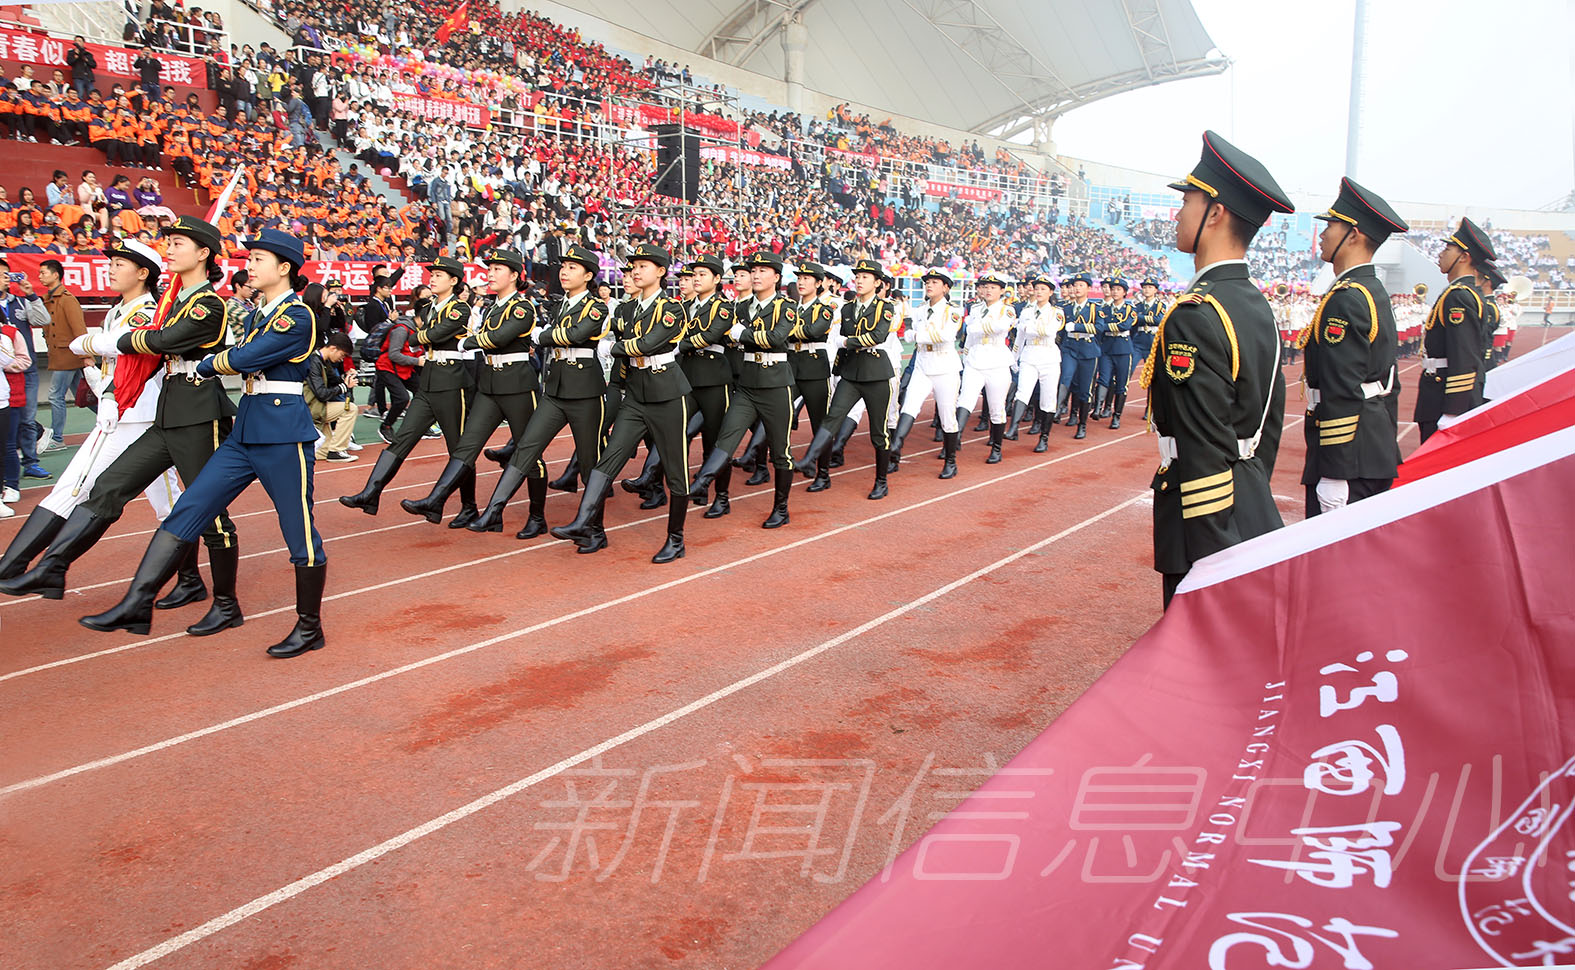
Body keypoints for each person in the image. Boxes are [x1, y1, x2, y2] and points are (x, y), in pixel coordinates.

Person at [82, 229, 328, 657]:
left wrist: (209, 364)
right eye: (248, 259)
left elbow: (247, 357)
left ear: (284, 268)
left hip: (283, 437)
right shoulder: (256, 314)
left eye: (257, 259)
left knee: (299, 533)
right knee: (189, 509)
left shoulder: (296, 315)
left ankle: (310, 627)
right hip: (246, 431)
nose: (248, 265)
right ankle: (137, 602)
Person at [2, 217, 236, 620]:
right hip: (161, 414)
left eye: (178, 242)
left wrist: (100, 342)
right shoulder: (171, 301)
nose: (171, 248)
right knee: (108, 489)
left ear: (202, 253)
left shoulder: (205, 303)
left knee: (202, 511)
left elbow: (159, 342)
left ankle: (221, 601)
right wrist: (104, 381)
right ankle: (51, 568)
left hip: (188, 414)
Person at [1142, 130, 1292, 608]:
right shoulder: (1252, 303)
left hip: (1207, 525)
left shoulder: (1196, 314)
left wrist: (1213, 561)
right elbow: (1265, 417)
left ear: (1216, 212)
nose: (1178, 212)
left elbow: (1203, 446)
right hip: (1247, 494)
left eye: (1188, 200)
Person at [0, 241, 187, 579]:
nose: (111, 269)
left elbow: (121, 345)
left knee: (88, 489)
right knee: (85, 488)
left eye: (119, 264)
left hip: (138, 417)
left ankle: (19, 568)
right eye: (111, 263)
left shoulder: (147, 311)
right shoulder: (119, 310)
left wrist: (84, 343)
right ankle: (16, 567)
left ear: (143, 274)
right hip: (118, 413)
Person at [552, 242, 691, 562]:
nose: (636, 271)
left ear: (660, 272)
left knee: (676, 472)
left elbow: (647, 343)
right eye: (633, 266)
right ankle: (585, 520)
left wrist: (614, 347)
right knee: (608, 458)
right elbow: (609, 335)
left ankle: (676, 538)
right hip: (636, 393)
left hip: (667, 394)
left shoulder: (672, 308)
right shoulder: (628, 308)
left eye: (643, 266)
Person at [468, 243, 607, 538]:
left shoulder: (596, 306)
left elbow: (575, 335)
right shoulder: (559, 305)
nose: (564, 272)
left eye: (572, 267)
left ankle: (595, 529)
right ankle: (494, 511)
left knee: (588, 462)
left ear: (588, 275)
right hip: (555, 388)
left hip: (585, 391)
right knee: (526, 448)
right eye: (563, 266)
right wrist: (547, 337)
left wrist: (543, 336)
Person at [401, 249, 538, 527]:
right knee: (466, 445)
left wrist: (466, 343)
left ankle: (537, 516)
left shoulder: (523, 306)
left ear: (514, 276)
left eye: (497, 269)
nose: (490, 273)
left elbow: (499, 337)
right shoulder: (491, 308)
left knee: (528, 452)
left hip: (518, 385)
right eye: (489, 268)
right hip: (489, 384)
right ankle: (437, 499)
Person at [1300, 177, 1408, 517]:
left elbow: (1342, 388)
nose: (1322, 233)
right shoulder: (1369, 290)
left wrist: (1335, 471)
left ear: (1354, 234)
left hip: (1349, 458)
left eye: (1331, 224)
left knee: (1332, 565)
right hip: (1368, 445)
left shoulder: (1346, 300)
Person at [339, 257, 476, 517]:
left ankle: (468, 507)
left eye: (439, 275)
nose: (432, 279)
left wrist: (416, 336)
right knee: (402, 439)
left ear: (454, 281)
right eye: (431, 274)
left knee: (458, 448)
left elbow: (430, 335)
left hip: (451, 383)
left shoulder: (459, 308)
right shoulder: (432, 307)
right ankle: (371, 493)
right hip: (429, 382)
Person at [687, 250, 801, 526]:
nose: (756, 275)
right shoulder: (740, 307)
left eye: (763, 271)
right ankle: (702, 483)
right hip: (747, 383)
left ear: (776, 277)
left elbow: (776, 337)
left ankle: (781, 508)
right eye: (754, 271)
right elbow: (722, 333)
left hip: (775, 384)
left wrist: (743, 334)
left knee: (780, 451)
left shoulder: (785, 306)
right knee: (727, 436)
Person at [792, 258, 896, 495]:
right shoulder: (847, 308)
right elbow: (837, 337)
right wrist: (844, 345)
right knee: (832, 418)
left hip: (876, 374)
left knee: (878, 432)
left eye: (865, 277)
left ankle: (881, 481)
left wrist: (848, 341)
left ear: (877, 282)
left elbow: (877, 336)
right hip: (850, 372)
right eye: (857, 276)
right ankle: (811, 460)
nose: (859, 281)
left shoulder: (885, 308)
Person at [1414, 218, 1496, 442]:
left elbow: (1463, 354)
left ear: (1464, 256)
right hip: (1439, 392)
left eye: (1448, 248)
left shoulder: (1459, 296)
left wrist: (1453, 412)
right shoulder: (1461, 292)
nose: (1441, 253)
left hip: (1443, 397)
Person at [673, 254, 738, 515]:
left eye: (702, 274)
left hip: (713, 379)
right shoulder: (685, 306)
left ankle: (721, 496)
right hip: (686, 377)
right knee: (678, 431)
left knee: (715, 440)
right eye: (694, 274)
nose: (696, 279)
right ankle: (690, 487)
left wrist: (676, 345)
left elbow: (709, 335)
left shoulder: (723, 307)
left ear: (717, 279)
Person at [889, 267, 962, 476]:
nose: (929, 285)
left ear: (946, 287)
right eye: (927, 282)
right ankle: (894, 452)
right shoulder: (920, 309)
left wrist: (918, 335)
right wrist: (922, 334)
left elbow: (946, 336)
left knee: (948, 416)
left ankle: (950, 461)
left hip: (945, 365)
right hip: (923, 363)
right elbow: (909, 331)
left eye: (935, 282)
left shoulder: (952, 310)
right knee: (908, 407)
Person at [956, 271, 1016, 463]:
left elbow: (1001, 327)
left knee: (997, 408)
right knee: (964, 400)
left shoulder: (1007, 310)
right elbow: (969, 339)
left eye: (993, 287)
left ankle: (996, 448)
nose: (988, 290)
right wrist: (965, 357)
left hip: (996, 360)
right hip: (975, 358)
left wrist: (976, 326)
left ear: (1001, 290)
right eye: (985, 287)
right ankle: (954, 439)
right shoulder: (975, 309)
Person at [786, 261, 836, 491]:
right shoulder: (790, 307)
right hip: (792, 365)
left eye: (807, 279)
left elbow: (814, 331)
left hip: (815, 368)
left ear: (818, 283)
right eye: (800, 278)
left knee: (820, 423)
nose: (802, 282)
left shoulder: (824, 308)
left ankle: (823, 474)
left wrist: (786, 332)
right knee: (779, 416)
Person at [0, 257, 50, 480]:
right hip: (2, 374)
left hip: (25, 371)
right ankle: (8, 466)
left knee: (27, 419)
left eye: (4, 275)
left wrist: (30, 293)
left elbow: (43, 319)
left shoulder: (19, 302)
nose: (4, 279)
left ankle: (30, 462)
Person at [38, 258, 87, 453]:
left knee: (56, 395)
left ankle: (57, 438)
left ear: (55, 275)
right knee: (84, 396)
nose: (40, 276)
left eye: (43, 272)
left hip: (67, 355)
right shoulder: (47, 298)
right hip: (61, 354)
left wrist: (85, 353)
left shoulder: (67, 299)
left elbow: (79, 329)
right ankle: (114, 422)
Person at [1012, 273, 1064, 451]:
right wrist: (1014, 358)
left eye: (1043, 289)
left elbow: (1049, 332)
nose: (1039, 292)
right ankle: (1013, 428)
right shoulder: (1026, 311)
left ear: (1051, 292)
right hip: (1029, 355)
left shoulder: (1057, 313)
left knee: (1048, 400)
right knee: (1022, 392)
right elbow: (1019, 338)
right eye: (1037, 288)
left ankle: (1044, 437)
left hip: (1048, 357)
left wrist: (1028, 327)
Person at [1057, 272, 1100, 439]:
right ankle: (1058, 408)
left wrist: (1077, 327)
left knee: (1085, 389)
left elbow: (1100, 327)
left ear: (1088, 288)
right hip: (1069, 347)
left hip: (1087, 349)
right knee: (1065, 378)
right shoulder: (1065, 308)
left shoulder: (1095, 308)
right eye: (1075, 285)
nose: (1076, 288)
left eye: (1081, 285)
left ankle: (1082, 424)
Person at [306, 330, 359, 462]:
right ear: (333, 348)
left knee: (321, 452)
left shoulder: (321, 360)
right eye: (342, 355)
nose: (342, 359)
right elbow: (322, 393)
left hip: (315, 406)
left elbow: (333, 380)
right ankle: (337, 450)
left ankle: (327, 452)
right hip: (311, 408)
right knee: (350, 409)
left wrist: (345, 378)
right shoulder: (314, 362)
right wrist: (345, 387)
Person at [1095, 276, 1135, 427]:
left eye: (1118, 289)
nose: (1115, 292)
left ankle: (1116, 416)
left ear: (1125, 292)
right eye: (1113, 289)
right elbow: (1099, 327)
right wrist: (1112, 326)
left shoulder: (1129, 309)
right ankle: (1098, 408)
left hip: (1123, 348)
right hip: (1107, 347)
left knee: (1121, 384)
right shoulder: (1103, 309)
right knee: (1103, 378)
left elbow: (1126, 325)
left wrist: (1108, 326)